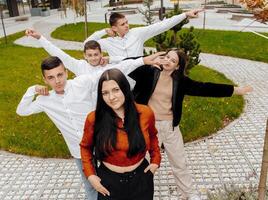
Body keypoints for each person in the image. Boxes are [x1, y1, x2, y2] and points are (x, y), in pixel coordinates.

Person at [16, 54, 163, 200]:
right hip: (78, 148)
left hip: (104, 138)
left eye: (60, 74)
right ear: (45, 80)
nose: (57, 81)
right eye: (51, 77)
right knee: (91, 184)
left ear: (67, 72)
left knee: (111, 173)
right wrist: (32, 90)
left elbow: (111, 73)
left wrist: (142, 61)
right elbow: (21, 110)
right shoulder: (45, 100)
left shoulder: (82, 83)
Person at [128, 50, 253, 200]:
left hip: (170, 128)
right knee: (143, 163)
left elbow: (205, 88)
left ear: (177, 67)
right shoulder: (148, 72)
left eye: (172, 60)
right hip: (147, 127)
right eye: (167, 57)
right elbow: (128, 65)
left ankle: (189, 194)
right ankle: (138, 195)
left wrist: (235, 90)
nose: (168, 61)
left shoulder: (180, 81)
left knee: (180, 163)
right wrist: (149, 59)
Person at [80, 69, 161, 200]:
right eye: (105, 93)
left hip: (141, 178)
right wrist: (90, 175)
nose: (111, 97)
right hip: (109, 183)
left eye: (116, 90)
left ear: (125, 88)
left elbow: (152, 136)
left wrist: (156, 160)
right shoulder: (94, 119)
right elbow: (85, 147)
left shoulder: (145, 113)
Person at [84, 9, 202, 58]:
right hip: (120, 82)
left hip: (141, 79)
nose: (127, 25)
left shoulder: (137, 33)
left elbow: (161, 26)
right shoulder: (108, 42)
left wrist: (185, 14)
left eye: (127, 22)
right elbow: (86, 44)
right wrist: (103, 31)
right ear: (114, 28)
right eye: (122, 24)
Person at [25, 29, 124, 77]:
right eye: (90, 55)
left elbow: (127, 60)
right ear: (84, 55)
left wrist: (110, 59)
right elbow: (58, 53)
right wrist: (40, 38)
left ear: (101, 54)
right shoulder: (79, 66)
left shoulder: (108, 66)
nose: (93, 58)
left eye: (96, 54)